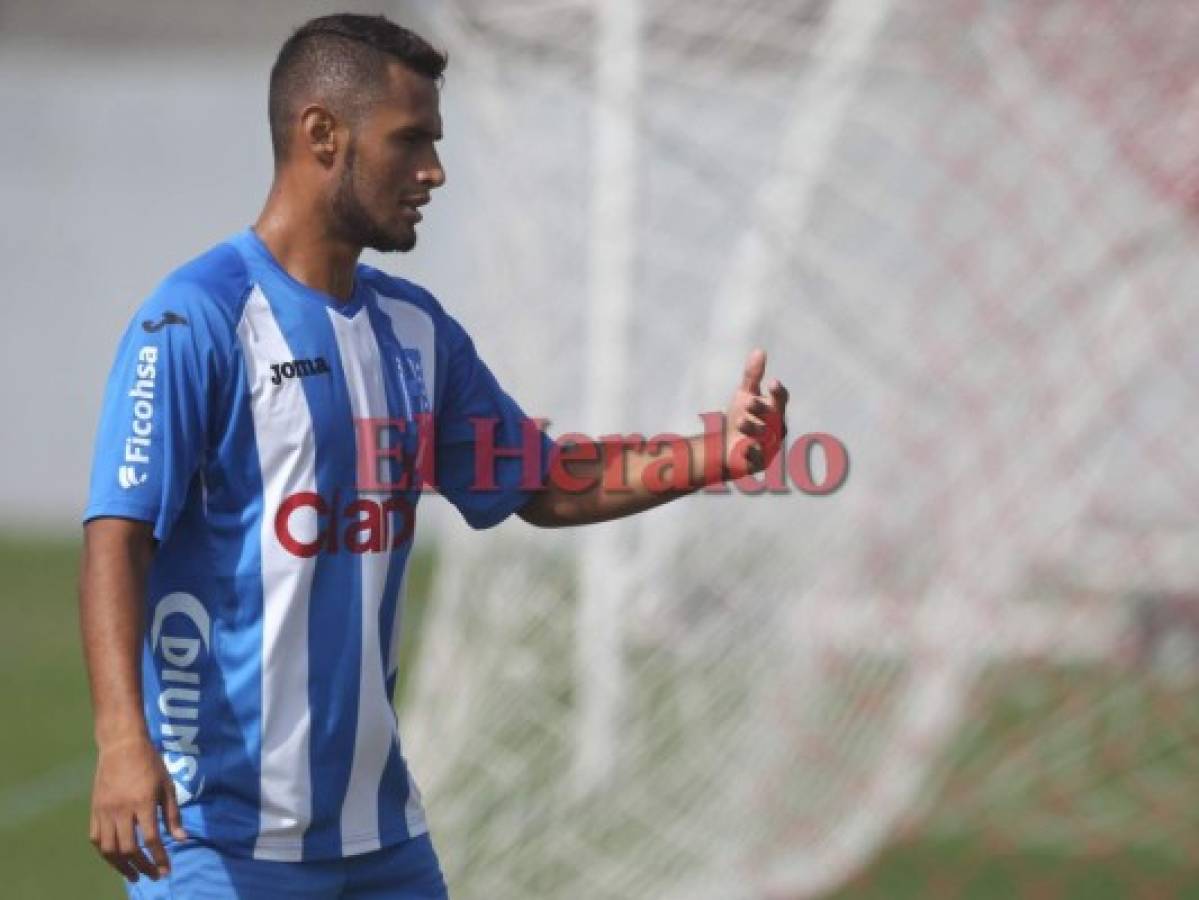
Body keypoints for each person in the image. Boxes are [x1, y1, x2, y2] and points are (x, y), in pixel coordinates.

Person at [79, 13, 789, 899]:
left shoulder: (415, 331)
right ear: (321, 135)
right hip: (218, 842)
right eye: (410, 140)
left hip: (383, 844)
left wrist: (713, 453)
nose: (434, 172)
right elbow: (117, 534)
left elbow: (541, 481)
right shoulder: (194, 319)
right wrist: (121, 744)